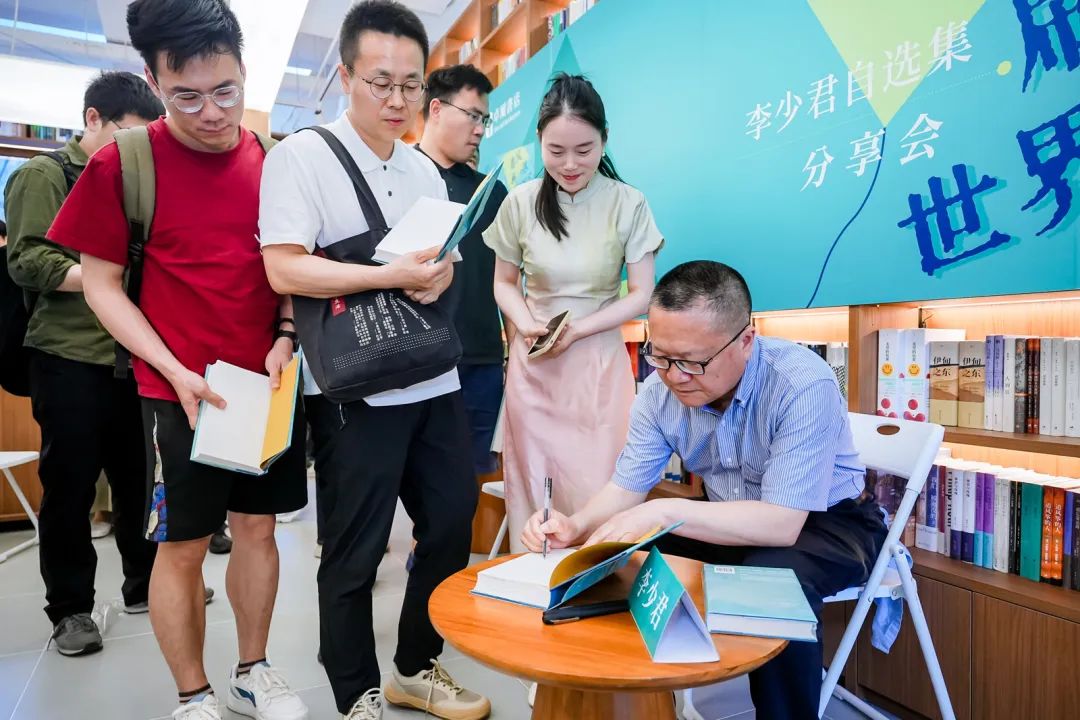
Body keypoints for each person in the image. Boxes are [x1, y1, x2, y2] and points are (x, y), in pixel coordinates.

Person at [46, 2, 308, 719]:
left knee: (258, 530)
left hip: (264, 383)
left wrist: (287, 335)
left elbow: (288, 264)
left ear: (244, 70)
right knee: (183, 544)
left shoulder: (273, 159)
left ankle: (252, 671)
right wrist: (172, 369)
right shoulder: (123, 162)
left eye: (226, 90)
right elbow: (101, 285)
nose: (212, 112)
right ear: (153, 79)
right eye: (186, 96)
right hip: (176, 389)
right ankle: (193, 694)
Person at [522, 261, 888, 720]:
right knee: (617, 557)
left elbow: (781, 523)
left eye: (692, 362)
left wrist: (662, 514)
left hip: (828, 523)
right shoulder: (658, 393)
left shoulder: (801, 383)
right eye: (660, 356)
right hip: (724, 517)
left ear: (746, 341)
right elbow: (627, 486)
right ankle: (620, 694)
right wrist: (575, 525)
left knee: (771, 587)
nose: (674, 376)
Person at [258, 3, 487, 720]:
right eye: (380, 82)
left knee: (451, 524)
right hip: (354, 391)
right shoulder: (302, 156)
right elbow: (284, 269)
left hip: (433, 377)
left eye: (411, 85)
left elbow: (441, 264)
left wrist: (437, 277)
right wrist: (388, 276)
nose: (397, 100)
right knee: (354, 552)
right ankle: (356, 691)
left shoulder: (423, 169)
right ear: (345, 76)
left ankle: (415, 666)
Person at [5, 71, 167, 658]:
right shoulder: (44, 176)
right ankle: (70, 608)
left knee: (137, 479)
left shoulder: (132, 182)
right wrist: (104, 280)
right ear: (93, 119)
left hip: (132, 357)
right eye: (128, 137)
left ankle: (144, 583)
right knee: (69, 487)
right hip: (67, 356)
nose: (135, 152)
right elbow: (27, 259)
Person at [483, 73, 664, 552]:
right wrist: (526, 324)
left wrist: (578, 330)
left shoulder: (628, 203)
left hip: (597, 367)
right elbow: (503, 283)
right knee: (533, 490)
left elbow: (641, 294)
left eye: (584, 150)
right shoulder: (520, 203)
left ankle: (597, 582)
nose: (569, 164)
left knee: (600, 484)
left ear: (605, 139)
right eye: (555, 150)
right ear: (539, 141)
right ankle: (531, 584)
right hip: (535, 368)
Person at [416, 64, 509, 479]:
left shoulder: (493, 192)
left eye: (484, 119)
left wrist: (514, 354)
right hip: (419, 359)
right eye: (472, 115)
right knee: (420, 477)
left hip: (482, 360)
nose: (480, 129)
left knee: (471, 479)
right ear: (436, 109)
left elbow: (509, 279)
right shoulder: (399, 179)